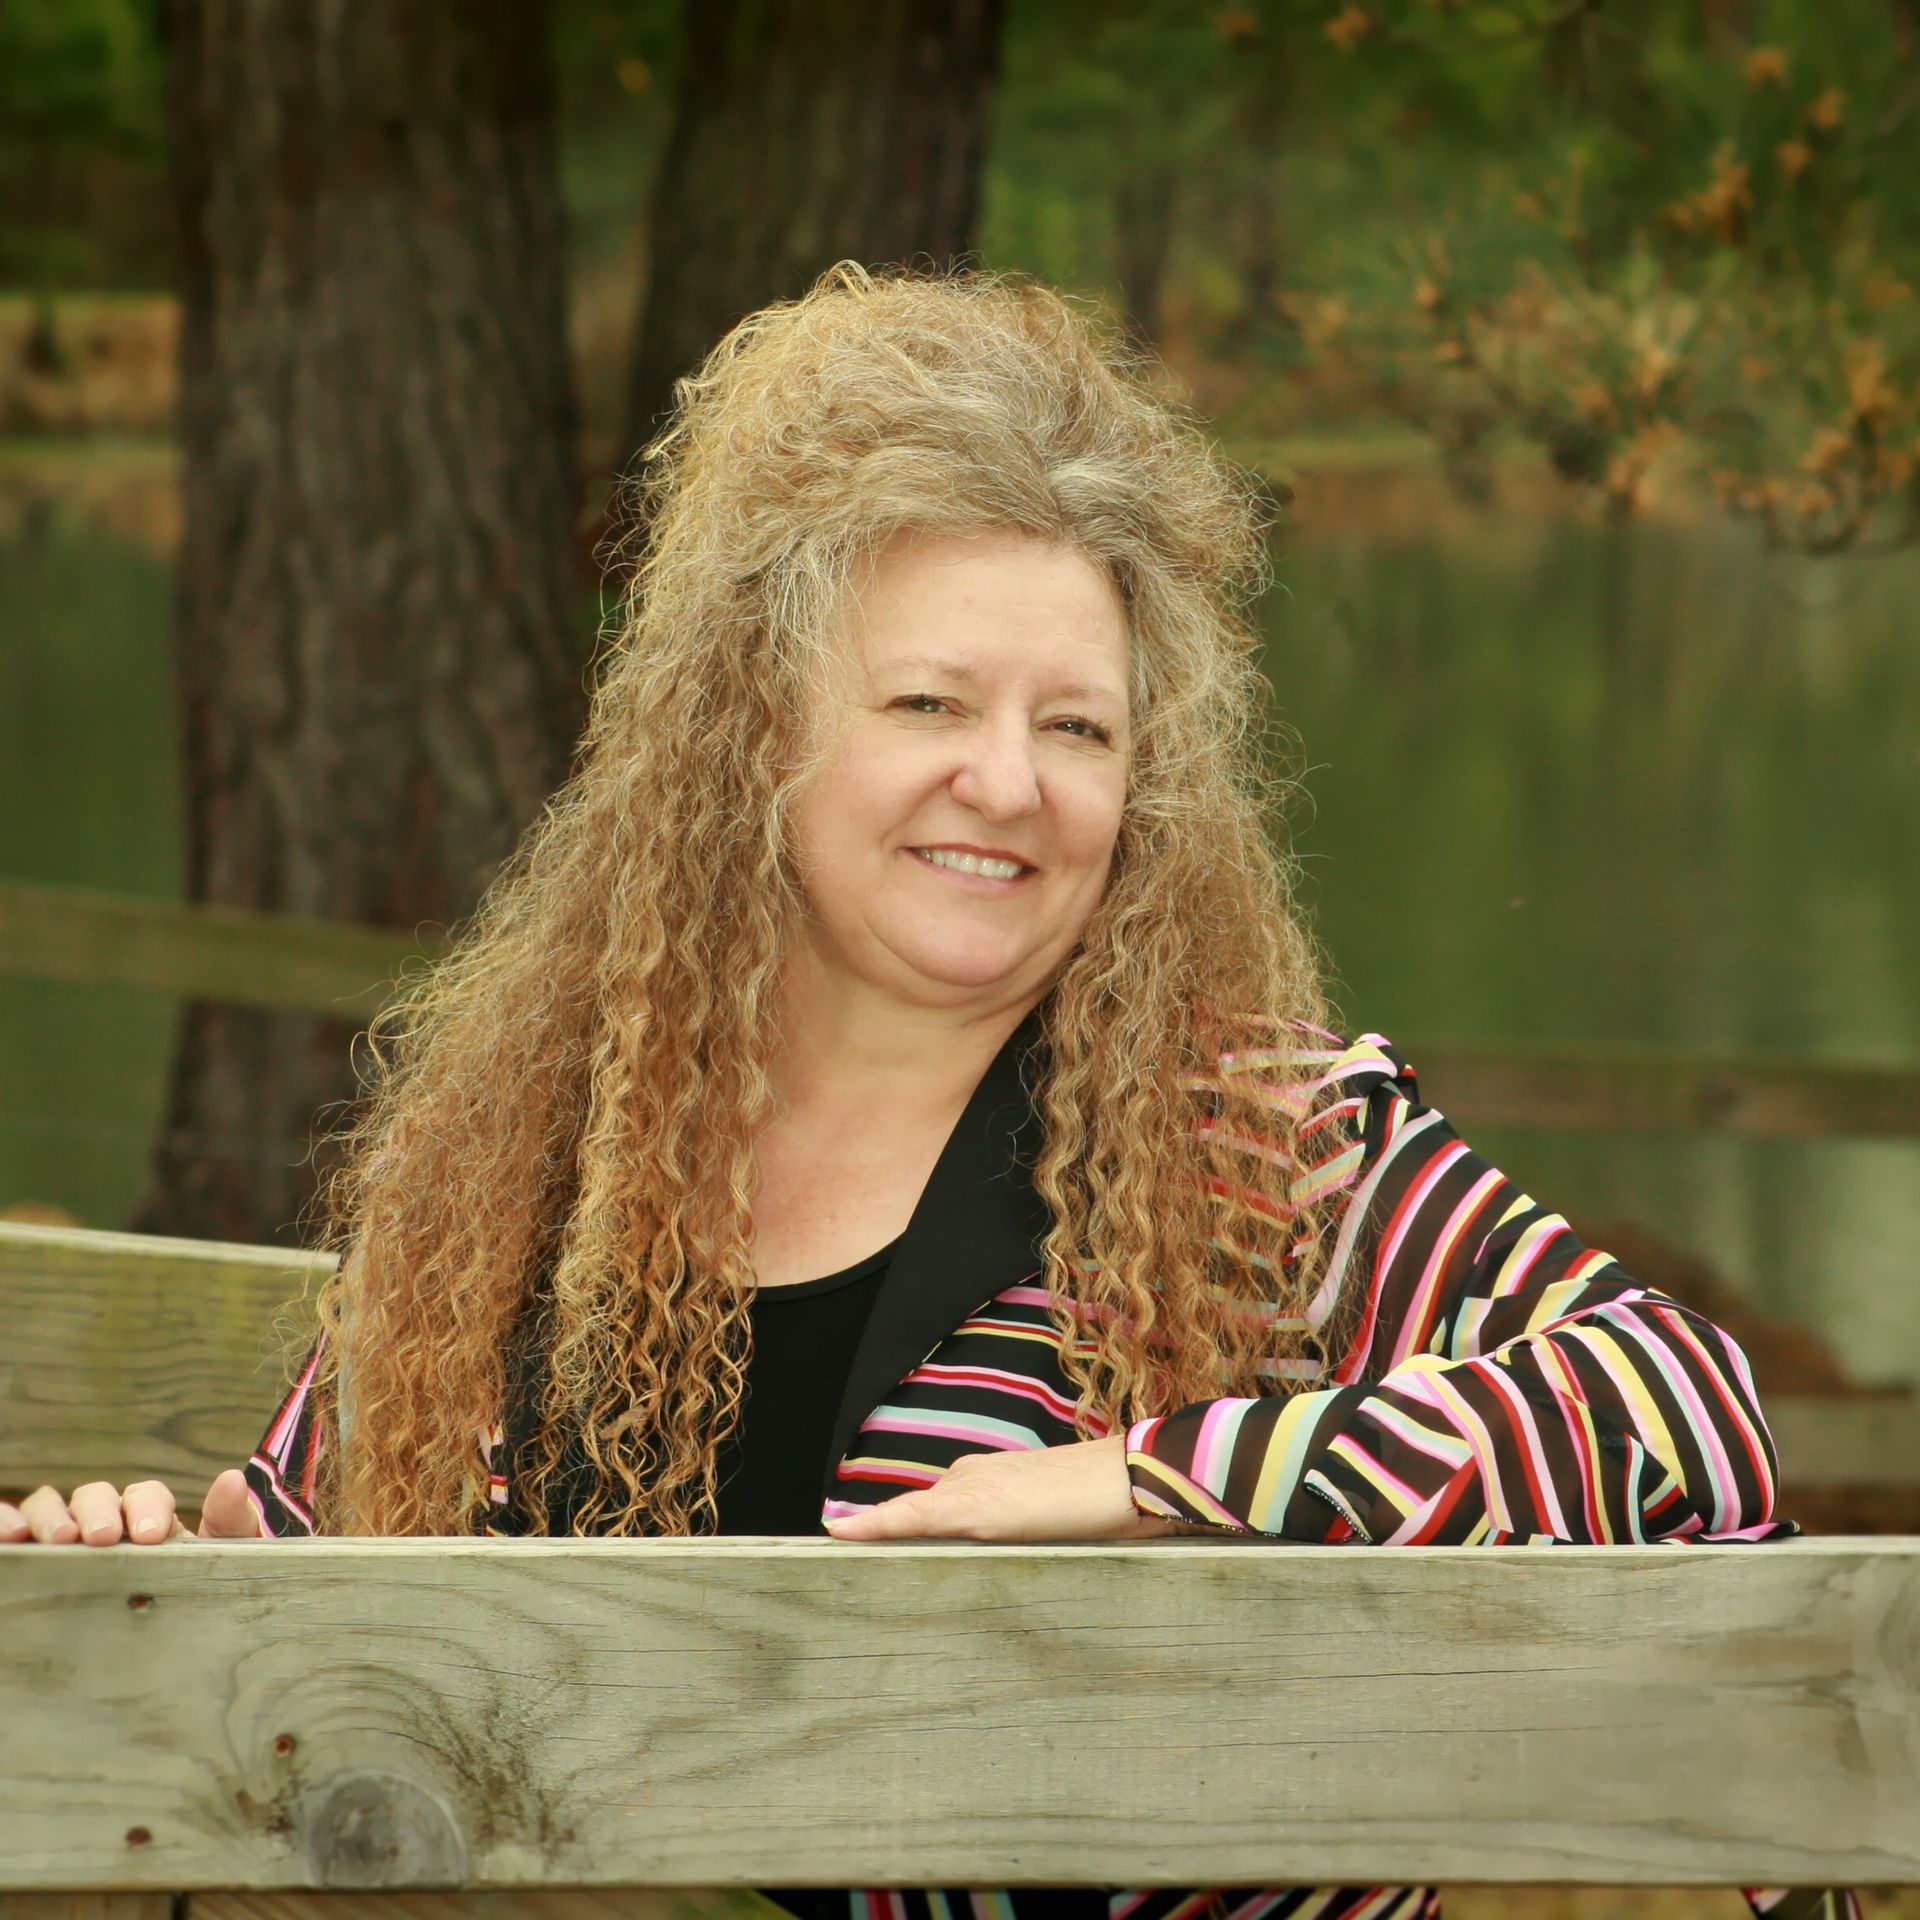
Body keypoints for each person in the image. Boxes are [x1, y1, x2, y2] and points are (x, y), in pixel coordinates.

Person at [1, 265, 1858, 1920]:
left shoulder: (1255, 1152)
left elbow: (1685, 1406)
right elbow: (315, 1538)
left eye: (1077, 728)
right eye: (928, 707)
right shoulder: (527, 1157)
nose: (1009, 783)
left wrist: (1155, 1485)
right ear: (760, 734)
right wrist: (153, 1570)